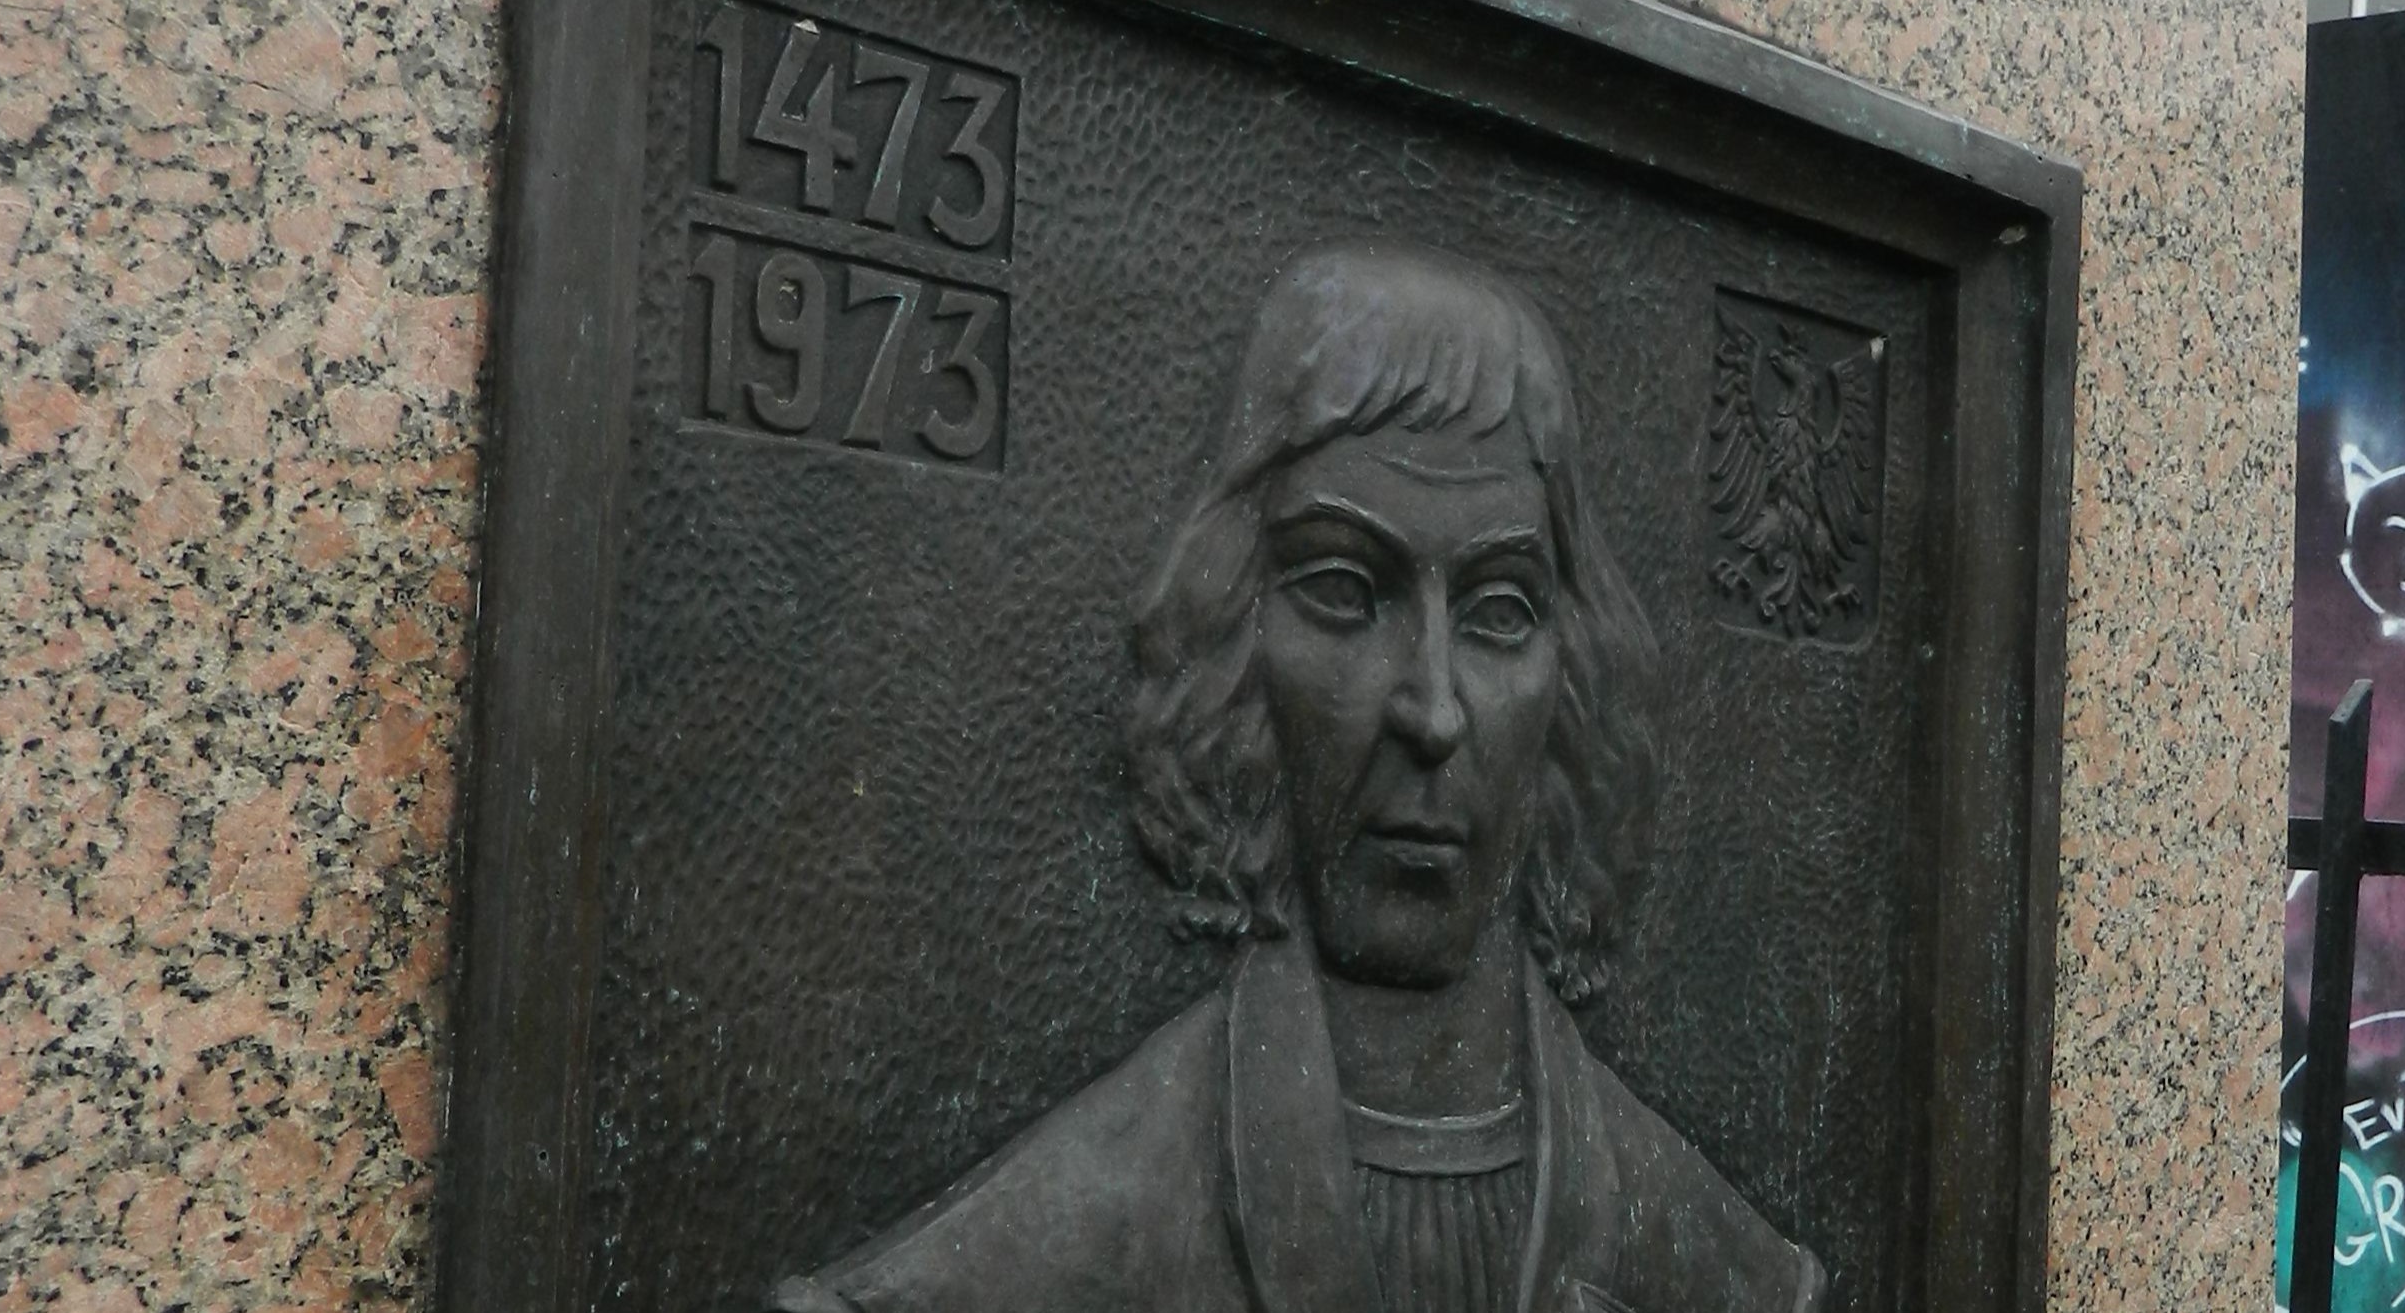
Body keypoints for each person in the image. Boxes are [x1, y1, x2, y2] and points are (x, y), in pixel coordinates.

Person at [769, 241, 1821, 1313]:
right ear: (1230, 636)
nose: (1434, 709)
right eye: (1343, 589)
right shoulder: (1019, 1266)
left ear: (1575, 672)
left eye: (1501, 610)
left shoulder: (1730, 1274)